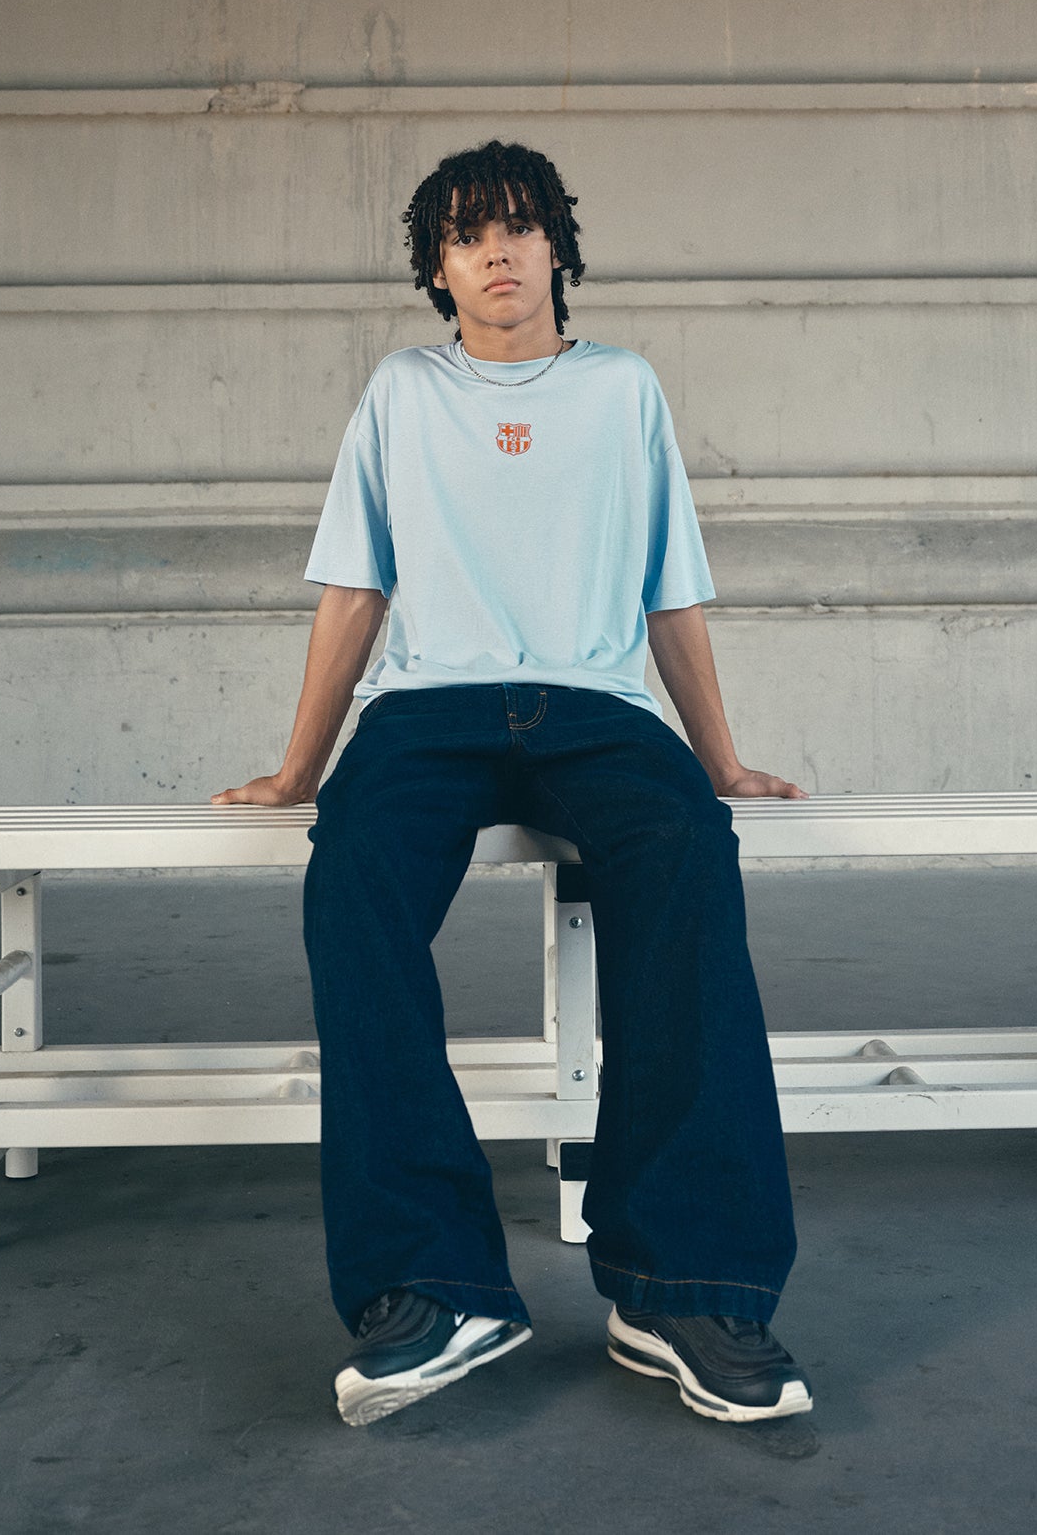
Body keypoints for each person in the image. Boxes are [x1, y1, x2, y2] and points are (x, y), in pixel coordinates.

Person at [213, 139, 812, 1431]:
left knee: (692, 856)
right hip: (428, 710)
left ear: (558, 248)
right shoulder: (400, 395)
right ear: (437, 266)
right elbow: (355, 590)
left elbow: (670, 594)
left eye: (520, 227)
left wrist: (722, 762)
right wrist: (296, 769)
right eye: (468, 234)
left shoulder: (623, 393)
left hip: (597, 707)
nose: (496, 251)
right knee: (355, 872)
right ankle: (435, 1287)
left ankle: (683, 1285)